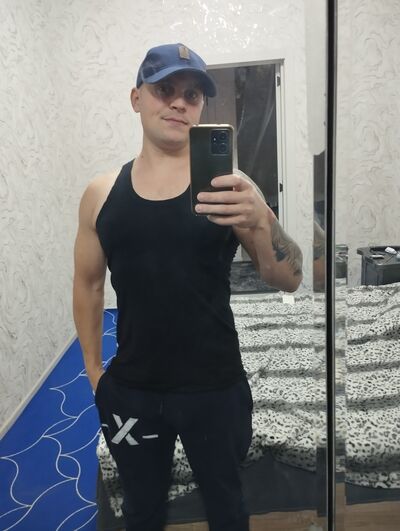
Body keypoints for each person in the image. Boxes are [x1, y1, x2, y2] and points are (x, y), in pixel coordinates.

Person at [73, 43, 303, 531]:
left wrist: (262, 220)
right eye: (165, 89)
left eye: (193, 94)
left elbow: (289, 277)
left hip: (216, 385)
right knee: (141, 509)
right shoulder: (100, 194)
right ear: (136, 98)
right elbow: (88, 286)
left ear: (201, 109)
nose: (180, 102)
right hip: (132, 388)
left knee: (227, 506)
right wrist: (94, 373)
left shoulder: (231, 187)